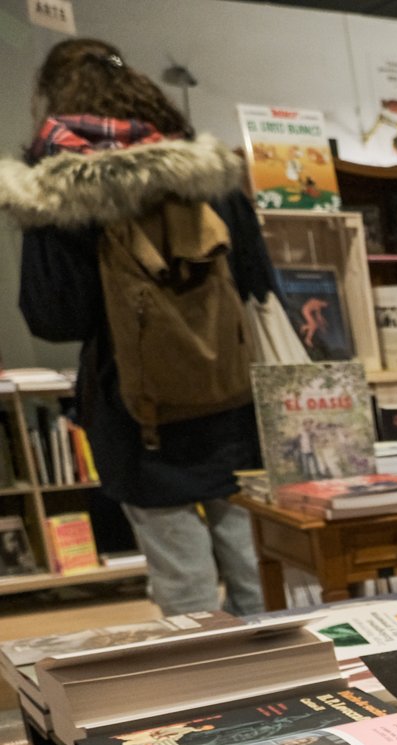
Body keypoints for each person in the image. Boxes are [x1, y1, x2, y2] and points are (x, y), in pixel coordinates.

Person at [2, 38, 271, 615]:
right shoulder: (206, 173)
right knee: (259, 570)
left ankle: (206, 672)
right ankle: (290, 669)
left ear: (53, 97)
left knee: (184, 584)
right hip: (233, 403)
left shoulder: (58, 189)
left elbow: (53, 316)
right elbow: (256, 278)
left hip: (135, 412)